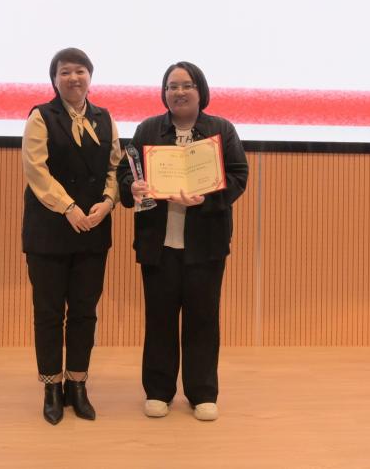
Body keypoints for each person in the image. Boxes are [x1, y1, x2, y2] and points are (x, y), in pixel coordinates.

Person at [117, 61, 248, 421]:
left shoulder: (221, 129)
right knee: (159, 319)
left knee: (202, 319)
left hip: (205, 245)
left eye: (186, 85)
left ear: (200, 90)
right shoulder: (148, 129)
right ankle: (158, 391)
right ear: (164, 93)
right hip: (158, 246)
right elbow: (125, 171)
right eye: (172, 86)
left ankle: (202, 392)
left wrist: (207, 198)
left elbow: (239, 175)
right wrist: (133, 185)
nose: (179, 92)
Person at [21, 47, 122, 425]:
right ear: (54, 79)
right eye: (65, 72)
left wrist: (108, 202)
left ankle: (78, 384)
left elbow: (115, 167)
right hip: (49, 231)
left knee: (84, 311)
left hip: (93, 229)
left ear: (90, 76)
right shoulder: (41, 116)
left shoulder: (105, 118)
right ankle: (51, 387)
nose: (73, 78)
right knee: (48, 312)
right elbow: (36, 171)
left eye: (80, 71)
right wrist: (68, 208)